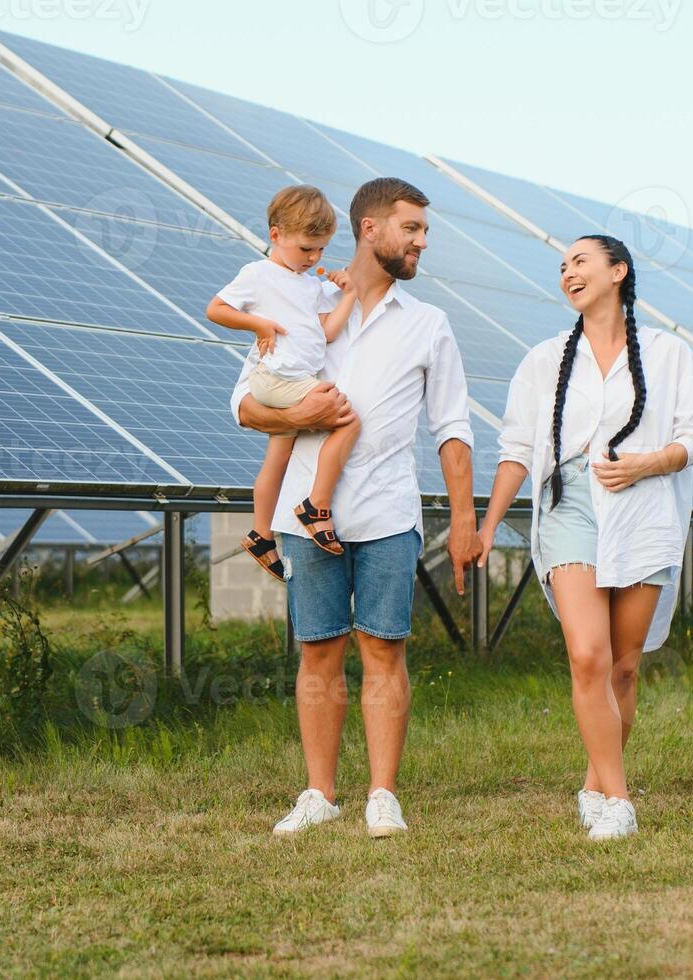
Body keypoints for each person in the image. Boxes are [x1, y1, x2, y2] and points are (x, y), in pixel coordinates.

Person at [230, 177, 479, 837]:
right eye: (412, 229)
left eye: (423, 231)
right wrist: (304, 409)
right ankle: (318, 793)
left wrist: (463, 521)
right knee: (317, 651)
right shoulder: (298, 303)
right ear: (369, 228)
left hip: (388, 515)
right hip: (304, 518)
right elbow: (243, 405)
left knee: (383, 649)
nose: (421, 242)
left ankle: (382, 794)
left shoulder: (428, 324)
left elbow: (452, 429)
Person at [477, 234, 693, 841]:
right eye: (562, 267)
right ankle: (618, 801)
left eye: (580, 261)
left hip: (644, 510)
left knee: (624, 667)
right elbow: (517, 449)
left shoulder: (669, 355)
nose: (568, 273)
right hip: (570, 506)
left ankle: (594, 784)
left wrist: (648, 463)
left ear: (619, 271)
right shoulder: (543, 359)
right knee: (588, 655)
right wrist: (486, 526)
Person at [207, 185, 360, 579]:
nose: (314, 258)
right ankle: (315, 505)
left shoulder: (311, 286)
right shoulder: (258, 275)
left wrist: (348, 295)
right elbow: (216, 309)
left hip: (292, 378)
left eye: (321, 250)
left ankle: (260, 533)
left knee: (278, 456)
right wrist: (257, 322)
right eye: (306, 249)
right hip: (276, 379)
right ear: (276, 236)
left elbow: (326, 333)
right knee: (346, 416)